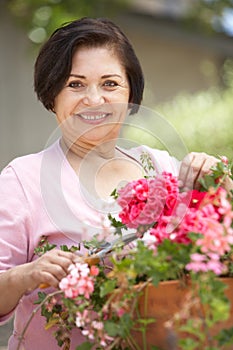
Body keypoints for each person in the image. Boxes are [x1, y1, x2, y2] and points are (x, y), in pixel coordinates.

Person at [0, 17, 230, 349]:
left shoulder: (161, 166)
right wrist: (27, 275)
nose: (94, 100)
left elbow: (215, 243)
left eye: (110, 84)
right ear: (52, 93)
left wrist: (217, 183)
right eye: (76, 84)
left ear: (131, 93)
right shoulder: (22, 180)